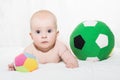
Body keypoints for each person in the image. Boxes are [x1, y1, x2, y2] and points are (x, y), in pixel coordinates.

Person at [8, 10, 79, 71]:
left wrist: (71, 62)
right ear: (31, 36)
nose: (44, 36)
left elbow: (69, 57)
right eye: (38, 32)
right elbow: (21, 60)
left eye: (49, 31)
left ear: (56, 34)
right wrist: (14, 65)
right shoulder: (30, 50)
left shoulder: (59, 47)